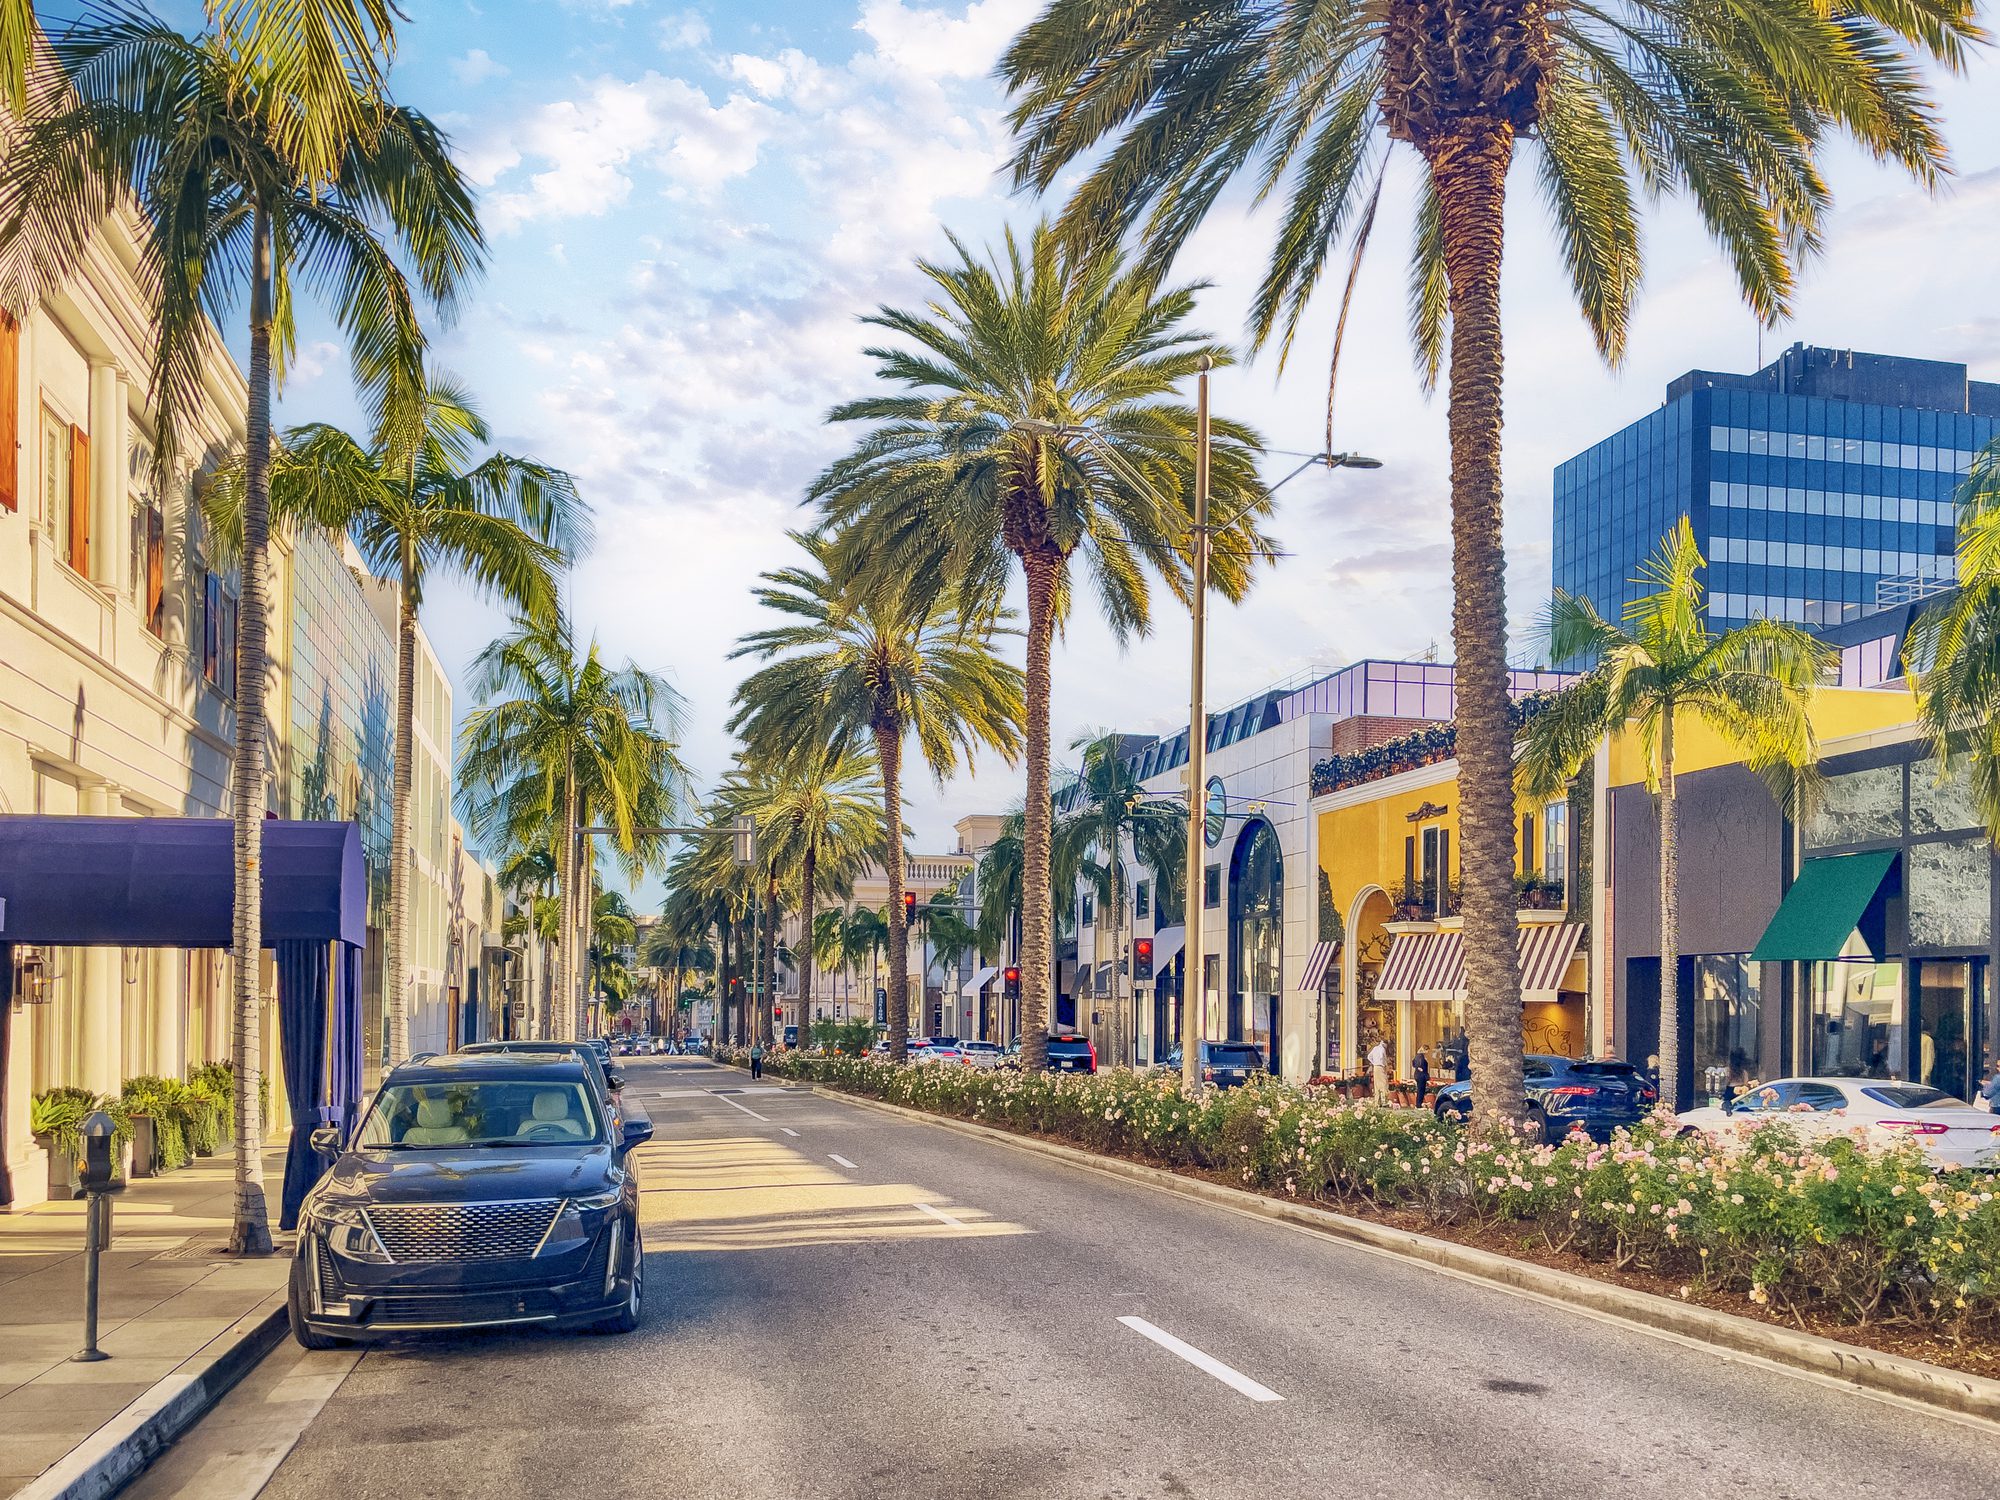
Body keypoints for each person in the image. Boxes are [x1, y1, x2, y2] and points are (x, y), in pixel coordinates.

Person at [1367, 1036, 1389, 1104]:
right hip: (1381, 1067)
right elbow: (1382, 1057)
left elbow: (1369, 1057)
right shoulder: (1382, 1049)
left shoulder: (1375, 1048)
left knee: (1376, 1084)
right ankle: (1383, 1100)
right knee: (1383, 1083)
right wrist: (1384, 1065)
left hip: (1375, 1067)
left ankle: (1377, 1101)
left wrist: (1374, 1063)